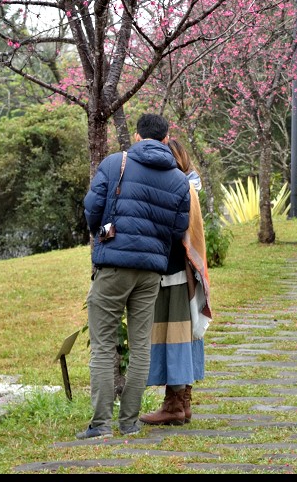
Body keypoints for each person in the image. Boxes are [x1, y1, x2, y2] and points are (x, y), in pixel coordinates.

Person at [77, 113, 191, 438]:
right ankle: (128, 423)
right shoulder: (179, 180)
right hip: (151, 272)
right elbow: (178, 229)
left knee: (103, 344)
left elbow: (91, 206)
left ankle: (100, 425)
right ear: (167, 138)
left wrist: (101, 234)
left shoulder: (115, 164)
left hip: (113, 265)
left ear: (138, 137)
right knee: (142, 345)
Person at [140, 138, 213, 426]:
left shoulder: (181, 188)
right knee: (183, 336)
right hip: (185, 274)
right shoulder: (190, 185)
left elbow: (173, 229)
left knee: (174, 337)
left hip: (173, 272)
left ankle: (174, 404)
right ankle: (182, 402)